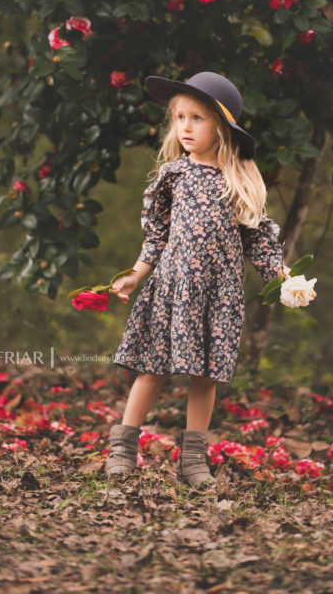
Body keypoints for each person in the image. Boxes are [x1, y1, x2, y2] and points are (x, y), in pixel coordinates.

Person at [107, 71, 291, 487]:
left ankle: (193, 462)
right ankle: (122, 450)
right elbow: (156, 234)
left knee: (204, 376)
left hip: (218, 295)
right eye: (179, 118)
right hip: (173, 288)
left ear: (221, 126)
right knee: (152, 369)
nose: (185, 127)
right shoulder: (175, 175)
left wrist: (283, 276)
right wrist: (135, 275)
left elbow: (258, 239)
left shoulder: (239, 180)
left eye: (197, 118)